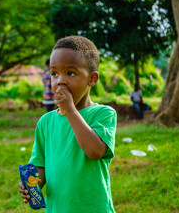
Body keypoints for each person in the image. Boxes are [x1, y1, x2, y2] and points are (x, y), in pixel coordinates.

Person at [19, 36, 117, 213]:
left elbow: (95, 151)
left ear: (92, 79)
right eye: (54, 73)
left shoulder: (103, 114)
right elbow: (40, 165)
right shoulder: (45, 123)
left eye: (70, 73)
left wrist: (70, 111)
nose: (60, 81)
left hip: (93, 208)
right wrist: (32, 184)